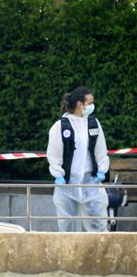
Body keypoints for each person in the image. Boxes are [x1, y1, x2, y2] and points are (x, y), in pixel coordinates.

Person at [46, 86, 110, 232]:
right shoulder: (60, 127)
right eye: (90, 102)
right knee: (67, 227)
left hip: (91, 183)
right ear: (80, 104)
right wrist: (58, 175)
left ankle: (98, 254)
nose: (92, 105)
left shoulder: (93, 124)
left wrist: (101, 171)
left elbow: (101, 150)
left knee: (98, 224)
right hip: (68, 184)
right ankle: (69, 255)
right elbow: (54, 154)